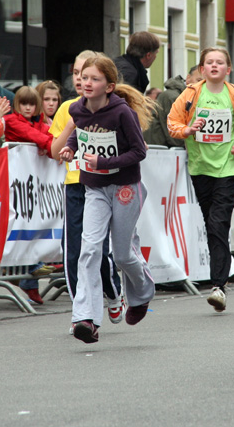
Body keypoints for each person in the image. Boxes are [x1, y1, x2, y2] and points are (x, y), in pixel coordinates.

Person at [58, 54, 156, 343]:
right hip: (95, 188)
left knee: (123, 253)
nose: (86, 83)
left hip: (125, 187)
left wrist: (103, 162)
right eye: (84, 78)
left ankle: (141, 295)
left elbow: (139, 152)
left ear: (109, 86)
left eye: (94, 79)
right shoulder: (78, 109)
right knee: (89, 249)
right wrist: (70, 149)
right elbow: (81, 133)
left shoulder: (122, 113)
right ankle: (85, 318)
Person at [167, 47, 234, 312]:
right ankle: (220, 278)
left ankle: (218, 286)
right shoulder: (191, 94)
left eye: (220, 62)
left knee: (218, 223)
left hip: (228, 167)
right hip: (200, 167)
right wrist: (188, 129)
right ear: (202, 69)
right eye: (210, 62)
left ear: (228, 69)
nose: (215, 66)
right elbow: (172, 121)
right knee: (212, 224)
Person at [49, 50, 124, 328]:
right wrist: (74, 120)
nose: (83, 80)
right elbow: (55, 151)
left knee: (97, 250)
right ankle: (80, 313)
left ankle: (114, 295)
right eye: (79, 74)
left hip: (103, 185)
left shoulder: (113, 108)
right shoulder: (68, 108)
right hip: (75, 184)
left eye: (90, 75)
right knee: (74, 250)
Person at [2, 85, 57, 304]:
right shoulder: (12, 121)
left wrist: (49, 144)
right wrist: (51, 146)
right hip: (16, 185)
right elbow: (35, 135)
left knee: (32, 224)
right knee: (20, 226)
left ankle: (29, 281)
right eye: (23, 103)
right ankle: (27, 276)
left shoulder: (40, 122)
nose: (27, 107)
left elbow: (46, 134)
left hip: (31, 186)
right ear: (16, 104)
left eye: (32, 104)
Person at [143, 75, 187, 148]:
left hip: (158, 145)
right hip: (160, 148)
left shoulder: (174, 95)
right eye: (198, 80)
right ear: (188, 78)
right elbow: (172, 128)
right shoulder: (173, 96)